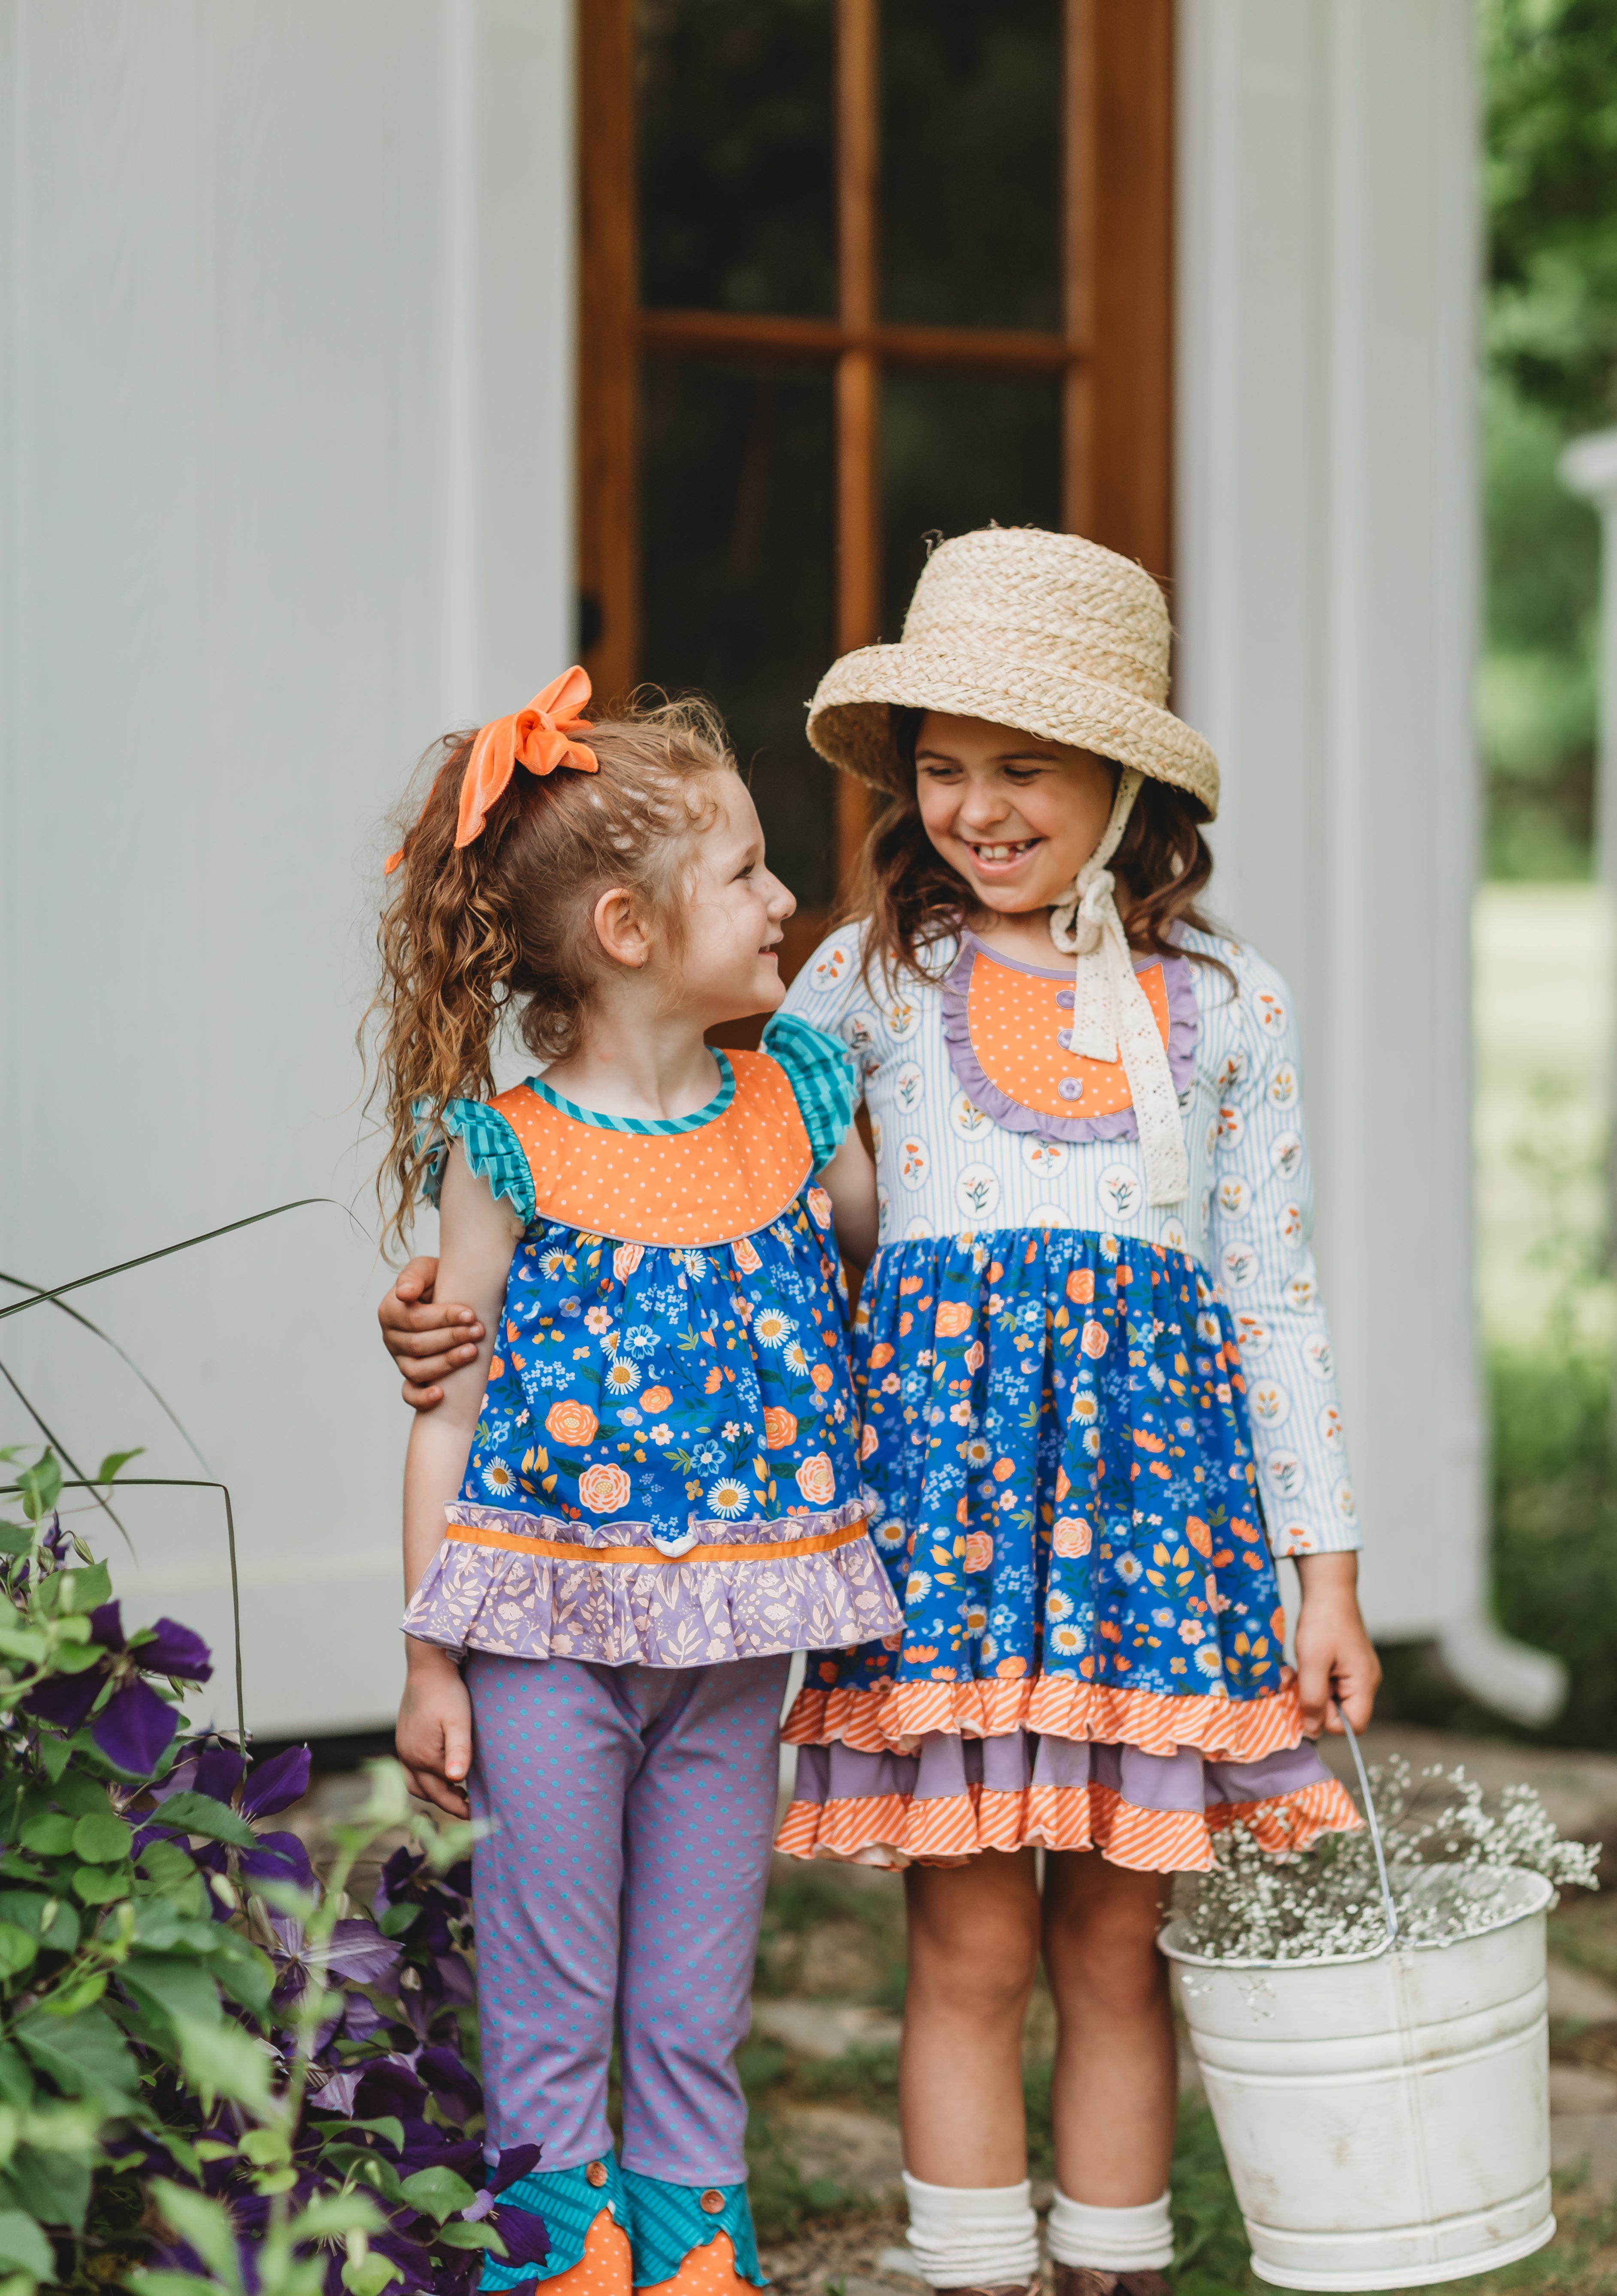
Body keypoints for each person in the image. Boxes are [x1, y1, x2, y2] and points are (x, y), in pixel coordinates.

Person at [381, 531, 1381, 2296]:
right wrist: (463, 1318)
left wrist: (1326, 1565)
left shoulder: (1226, 1007)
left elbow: (1272, 1295)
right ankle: (970, 2264)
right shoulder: (858, 989)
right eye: (943, 768)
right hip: (941, 1546)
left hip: (1154, 1548)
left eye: (1025, 767)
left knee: (1116, 1948)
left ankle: (1118, 2264)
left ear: (1122, 774)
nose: (977, 809)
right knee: (971, 1939)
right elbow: (697, 1168)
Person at [370, 667, 902, 2296]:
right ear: (623, 929)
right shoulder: (506, 1147)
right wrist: (426, 1657)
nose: (783, 899)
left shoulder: (804, 1104)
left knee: (692, 1972)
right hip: (542, 1635)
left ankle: (690, 2245)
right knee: (547, 1968)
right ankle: (557, 2251)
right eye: (743, 873)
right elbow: (448, 1410)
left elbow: (888, 1288)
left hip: (740, 1630)